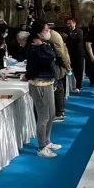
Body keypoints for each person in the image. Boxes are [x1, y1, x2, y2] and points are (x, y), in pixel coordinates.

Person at [25, 21, 62, 158]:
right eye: (46, 30)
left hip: (48, 82)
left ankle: (47, 141)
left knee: (51, 114)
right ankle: (41, 147)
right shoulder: (34, 49)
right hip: (39, 84)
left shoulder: (45, 46)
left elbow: (54, 57)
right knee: (43, 116)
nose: (49, 32)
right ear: (39, 33)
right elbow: (49, 58)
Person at [45, 23, 71, 121]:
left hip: (57, 66)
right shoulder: (55, 35)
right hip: (59, 65)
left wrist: (66, 65)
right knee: (59, 88)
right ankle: (60, 111)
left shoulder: (53, 37)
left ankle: (59, 112)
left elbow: (60, 53)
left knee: (58, 89)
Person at [64, 17, 85, 92]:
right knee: (69, 70)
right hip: (69, 54)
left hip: (78, 54)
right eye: (67, 23)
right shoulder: (66, 31)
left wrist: (68, 36)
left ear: (74, 23)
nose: (68, 25)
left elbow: (78, 40)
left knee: (78, 70)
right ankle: (69, 86)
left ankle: (78, 86)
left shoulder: (79, 31)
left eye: (70, 23)